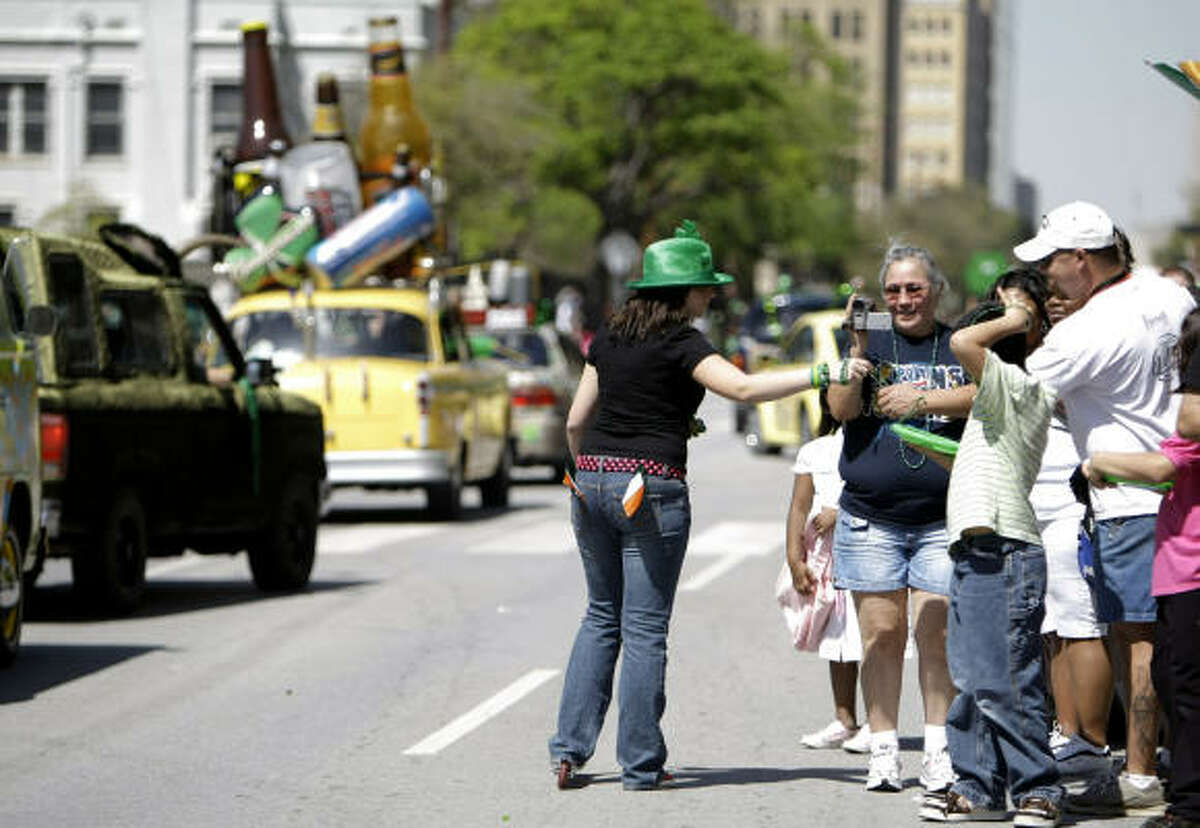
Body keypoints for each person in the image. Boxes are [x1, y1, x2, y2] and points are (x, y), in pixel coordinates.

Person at [548, 221, 871, 791]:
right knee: (644, 628)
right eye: (706, 288)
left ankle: (569, 753)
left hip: (593, 480)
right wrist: (825, 372)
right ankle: (641, 764)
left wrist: (587, 473)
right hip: (650, 488)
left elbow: (577, 420)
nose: (711, 296)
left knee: (601, 616)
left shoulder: (610, 335)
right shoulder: (681, 340)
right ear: (684, 292)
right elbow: (743, 390)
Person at [1015, 201, 1196, 816]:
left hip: (1129, 495)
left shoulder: (1088, 329)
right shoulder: (1169, 295)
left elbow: (1009, 395)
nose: (1045, 279)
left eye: (1050, 265)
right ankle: (1157, 759)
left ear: (1082, 260)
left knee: (1137, 636)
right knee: (1162, 635)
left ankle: (1141, 771)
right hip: (1176, 486)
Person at [915, 268, 1064, 826]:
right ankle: (977, 788)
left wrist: (1021, 315)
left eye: (1008, 320)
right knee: (974, 680)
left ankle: (1039, 787)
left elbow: (961, 341)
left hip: (1005, 550)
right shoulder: (993, 398)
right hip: (977, 548)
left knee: (1006, 680)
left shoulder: (1022, 386)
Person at [827, 242, 976, 794]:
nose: (904, 299)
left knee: (935, 634)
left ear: (935, 290)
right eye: (894, 291)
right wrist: (856, 347)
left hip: (942, 517)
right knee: (881, 634)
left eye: (915, 288)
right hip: (871, 518)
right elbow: (841, 410)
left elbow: (987, 397)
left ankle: (938, 749)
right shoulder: (871, 342)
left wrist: (924, 401)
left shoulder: (958, 343)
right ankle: (884, 747)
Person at [1080, 308, 1200, 828]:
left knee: (1185, 689)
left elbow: (1162, 464)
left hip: (1191, 571)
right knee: (1178, 686)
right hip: (1179, 569)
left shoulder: (1193, 425)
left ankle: (1191, 807)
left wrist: (1098, 461)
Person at [1033, 292, 1114, 787]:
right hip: (1031, 501)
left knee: (1083, 622)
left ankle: (1096, 741)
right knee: (1054, 622)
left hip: (1076, 496)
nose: (1055, 307)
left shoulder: (1091, 342)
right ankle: (1069, 733)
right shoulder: (1043, 350)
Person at [784, 399, 871, 754]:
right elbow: (799, 505)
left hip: (868, 551)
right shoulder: (816, 451)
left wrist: (842, 511)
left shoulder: (878, 441)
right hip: (826, 560)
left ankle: (879, 723)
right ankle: (844, 719)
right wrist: (793, 556)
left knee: (869, 640)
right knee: (837, 639)